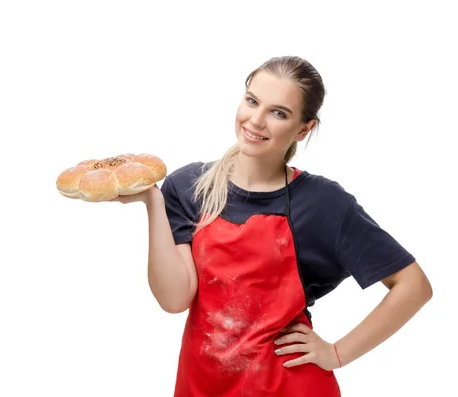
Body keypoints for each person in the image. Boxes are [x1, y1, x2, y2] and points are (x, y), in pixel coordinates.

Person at [113, 55, 433, 396]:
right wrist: (153, 203)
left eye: (278, 112)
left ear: (303, 128)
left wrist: (337, 353)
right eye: (252, 101)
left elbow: (413, 285)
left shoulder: (324, 203)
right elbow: (175, 299)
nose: (256, 120)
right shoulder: (188, 187)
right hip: (204, 384)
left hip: (288, 384)